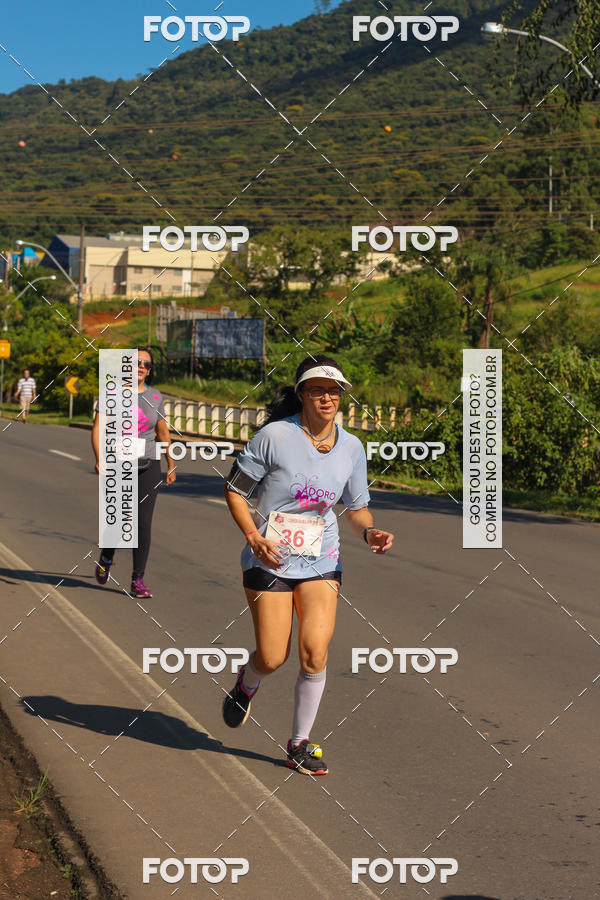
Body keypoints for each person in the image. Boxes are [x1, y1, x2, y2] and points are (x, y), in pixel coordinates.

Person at [222, 354, 394, 775]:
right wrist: (253, 536)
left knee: (315, 652)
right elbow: (235, 490)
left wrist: (370, 532)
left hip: (321, 558)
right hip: (270, 557)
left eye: (334, 391)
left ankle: (298, 743)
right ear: (301, 393)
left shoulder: (352, 447)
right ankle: (248, 681)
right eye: (317, 390)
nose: (326, 398)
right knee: (273, 655)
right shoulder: (274, 437)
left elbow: (356, 508)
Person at [91, 348, 176, 598]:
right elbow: (98, 429)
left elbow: (162, 433)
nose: (141, 367)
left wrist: (171, 463)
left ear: (150, 370)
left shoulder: (156, 397)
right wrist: (100, 459)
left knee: (142, 521)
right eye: (136, 362)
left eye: (146, 364)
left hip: (148, 462)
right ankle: (107, 555)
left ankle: (137, 579)